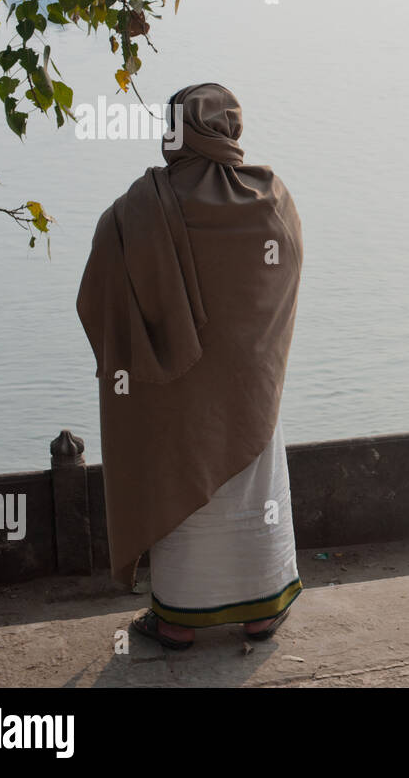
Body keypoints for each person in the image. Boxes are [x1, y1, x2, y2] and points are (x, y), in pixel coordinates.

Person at [77, 84, 304, 649]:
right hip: (250, 391)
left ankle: (176, 619)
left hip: (171, 399)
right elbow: (285, 279)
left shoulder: (136, 209)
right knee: (254, 492)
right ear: (230, 128)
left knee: (177, 487)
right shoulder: (269, 197)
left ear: (174, 130)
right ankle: (260, 613)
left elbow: (95, 296)